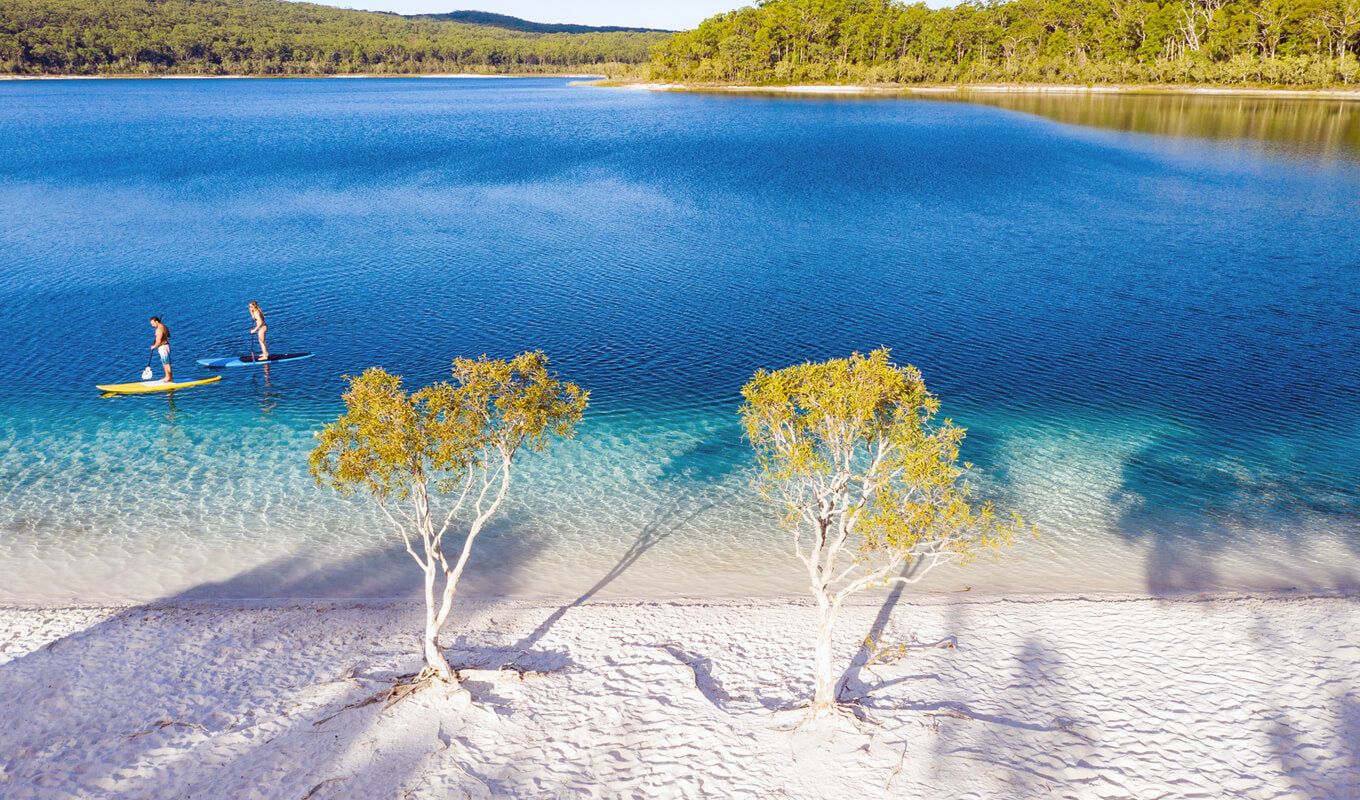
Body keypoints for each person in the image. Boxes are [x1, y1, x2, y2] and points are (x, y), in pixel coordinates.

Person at [149, 316, 172, 383]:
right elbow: (168, 336)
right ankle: (167, 376)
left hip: (162, 347)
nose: (152, 325)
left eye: (153, 324)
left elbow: (158, 341)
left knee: (166, 363)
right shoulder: (165, 327)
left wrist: (153, 346)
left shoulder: (159, 330)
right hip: (167, 345)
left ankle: (169, 378)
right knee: (166, 362)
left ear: (156, 321)